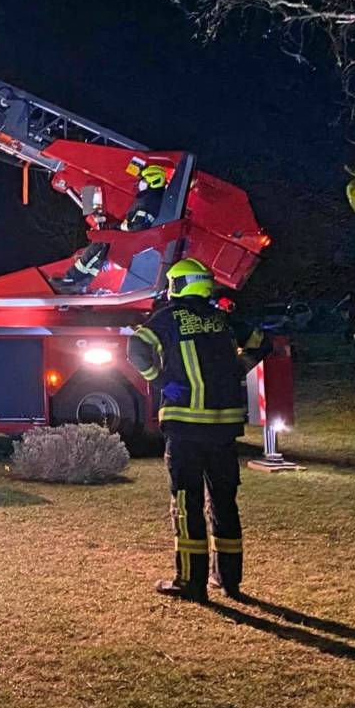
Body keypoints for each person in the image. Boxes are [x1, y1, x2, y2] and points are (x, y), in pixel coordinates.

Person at [128, 258, 261, 602]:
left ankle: (191, 581)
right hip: (224, 429)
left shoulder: (169, 318)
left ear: (179, 284)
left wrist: (160, 380)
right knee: (224, 503)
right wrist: (237, 369)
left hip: (186, 427)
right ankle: (228, 580)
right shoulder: (222, 318)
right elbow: (261, 341)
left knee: (187, 503)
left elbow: (136, 347)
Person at [122, 163, 170, 231]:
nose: (141, 182)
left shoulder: (147, 200)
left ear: (154, 182)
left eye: (145, 180)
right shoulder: (161, 193)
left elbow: (138, 227)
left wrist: (122, 226)